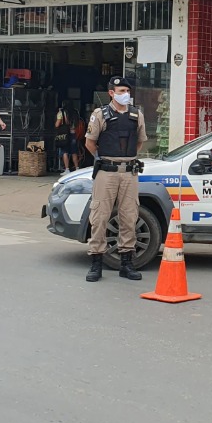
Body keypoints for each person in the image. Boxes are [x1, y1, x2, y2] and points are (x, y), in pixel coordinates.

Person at [83, 77, 147, 282]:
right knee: (100, 216)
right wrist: (105, 159)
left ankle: (126, 263)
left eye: (127, 90)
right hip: (107, 171)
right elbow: (90, 143)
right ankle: (96, 262)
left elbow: (139, 142)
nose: (125, 94)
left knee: (129, 216)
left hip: (129, 172)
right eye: (121, 91)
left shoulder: (136, 115)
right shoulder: (100, 114)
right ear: (111, 93)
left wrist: (125, 158)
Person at [55, 103, 78, 173]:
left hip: (65, 134)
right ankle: (77, 168)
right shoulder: (75, 112)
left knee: (64, 152)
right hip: (73, 133)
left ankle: (67, 169)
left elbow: (57, 124)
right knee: (74, 152)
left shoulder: (61, 113)